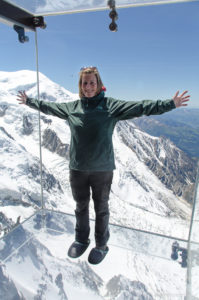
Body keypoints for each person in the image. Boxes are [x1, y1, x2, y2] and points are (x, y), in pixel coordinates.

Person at [17, 67, 190, 264]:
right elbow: (49, 107)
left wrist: (170, 104)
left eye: (92, 83)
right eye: (85, 83)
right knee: (80, 206)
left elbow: (140, 107)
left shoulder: (111, 106)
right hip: (78, 169)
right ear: (80, 86)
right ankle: (81, 240)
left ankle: (101, 245)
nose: (88, 87)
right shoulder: (71, 108)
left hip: (102, 170)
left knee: (101, 208)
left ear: (99, 84)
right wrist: (29, 101)